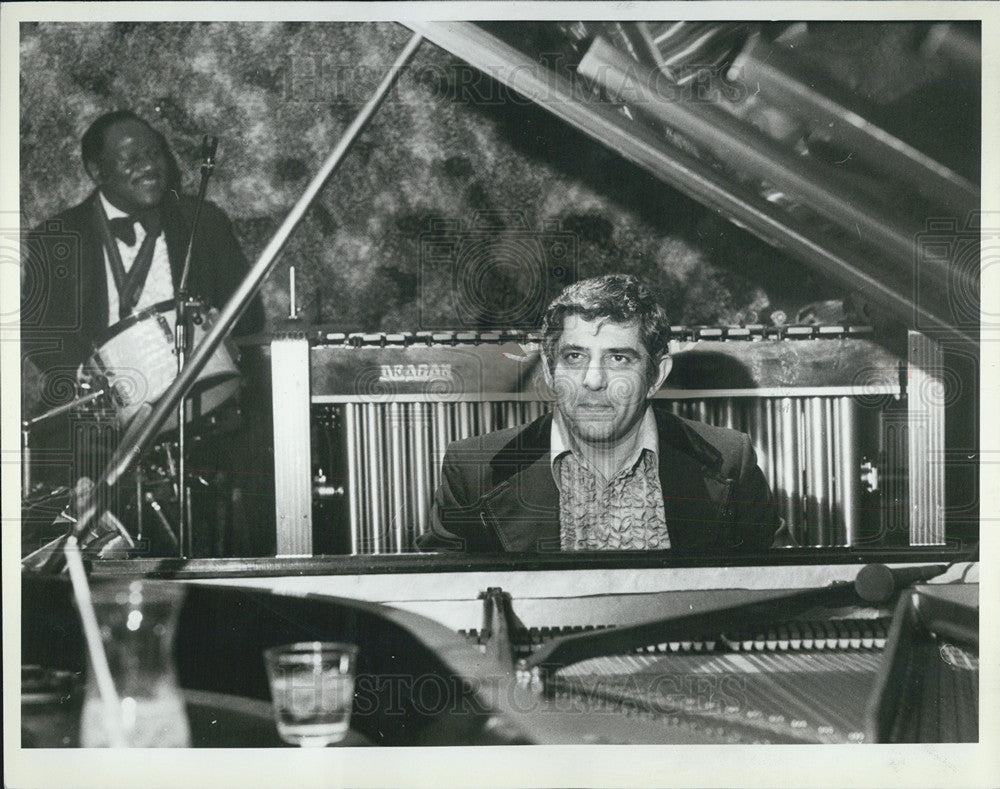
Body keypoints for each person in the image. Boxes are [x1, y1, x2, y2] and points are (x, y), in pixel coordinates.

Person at [21, 110, 269, 556]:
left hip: (199, 393)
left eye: (155, 153)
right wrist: (83, 376)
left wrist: (222, 321)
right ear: (97, 171)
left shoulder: (203, 221)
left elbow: (249, 314)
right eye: (131, 157)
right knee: (57, 455)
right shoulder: (55, 236)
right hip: (96, 406)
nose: (150, 165)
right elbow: (38, 333)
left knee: (261, 442)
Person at [421, 274, 780, 553]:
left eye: (618, 358)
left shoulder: (730, 460)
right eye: (574, 357)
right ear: (549, 370)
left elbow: (787, 593)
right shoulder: (473, 469)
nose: (593, 380)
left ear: (656, 376)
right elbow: (442, 610)